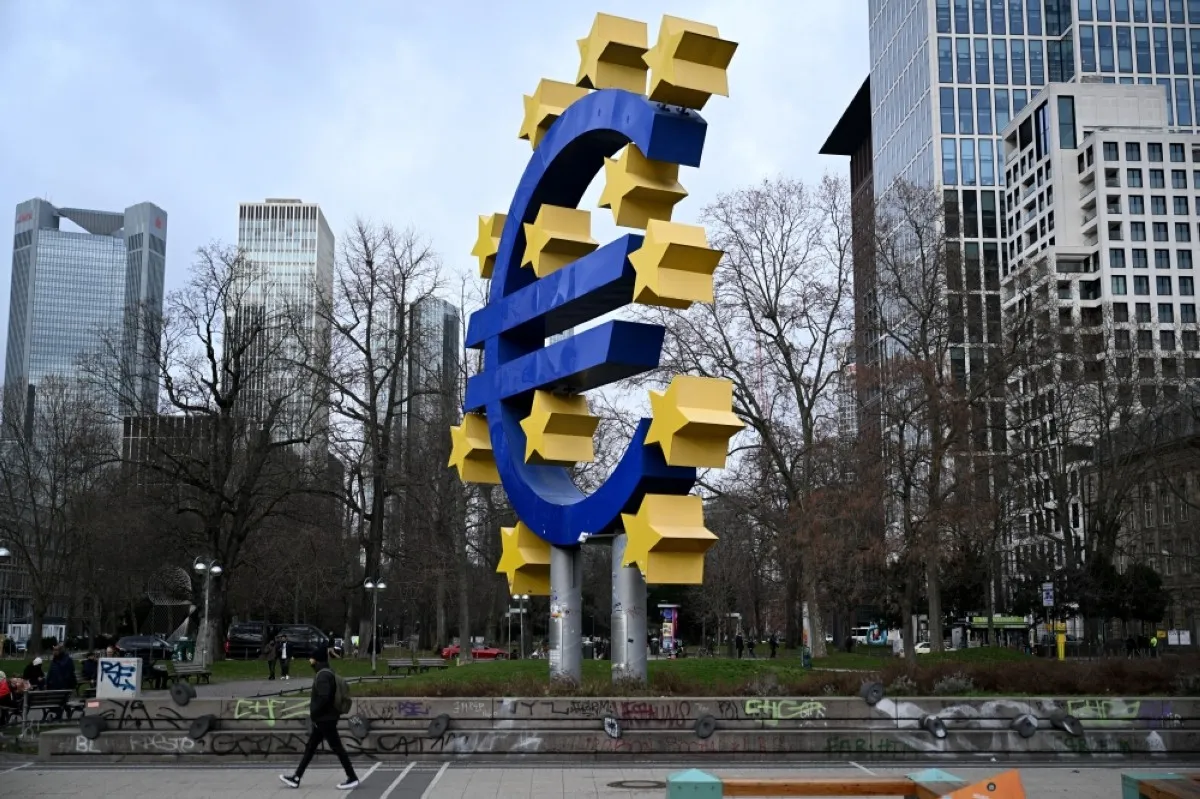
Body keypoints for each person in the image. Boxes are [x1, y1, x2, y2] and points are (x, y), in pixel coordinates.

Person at [278, 655, 359, 791]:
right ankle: (296, 777)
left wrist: (314, 713)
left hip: (325, 719)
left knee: (337, 748)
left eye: (311, 658)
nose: (309, 660)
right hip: (325, 718)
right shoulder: (328, 672)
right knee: (311, 747)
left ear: (316, 660)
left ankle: (352, 777)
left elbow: (324, 698)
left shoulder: (322, 676)